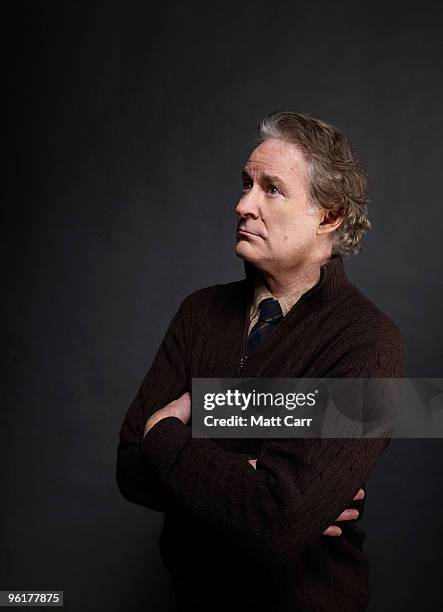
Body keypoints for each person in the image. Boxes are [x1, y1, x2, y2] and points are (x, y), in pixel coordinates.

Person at [116, 111, 405, 611]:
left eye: (271, 189)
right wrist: (252, 476)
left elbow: (276, 521)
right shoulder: (200, 312)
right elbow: (130, 468)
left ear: (329, 215)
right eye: (246, 184)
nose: (243, 204)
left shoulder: (370, 343)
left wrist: (169, 432)